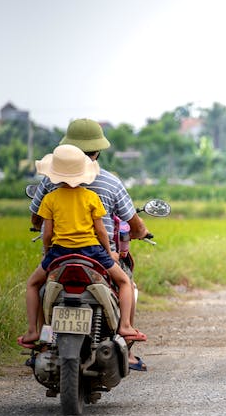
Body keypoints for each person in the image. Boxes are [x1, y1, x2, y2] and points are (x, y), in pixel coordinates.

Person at [29, 119, 151, 370]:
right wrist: (111, 251)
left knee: (36, 285)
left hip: (59, 255)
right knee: (125, 282)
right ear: (96, 153)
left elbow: (42, 226)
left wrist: (48, 251)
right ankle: (125, 339)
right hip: (96, 254)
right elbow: (118, 227)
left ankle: (38, 337)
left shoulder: (49, 188)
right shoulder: (106, 185)